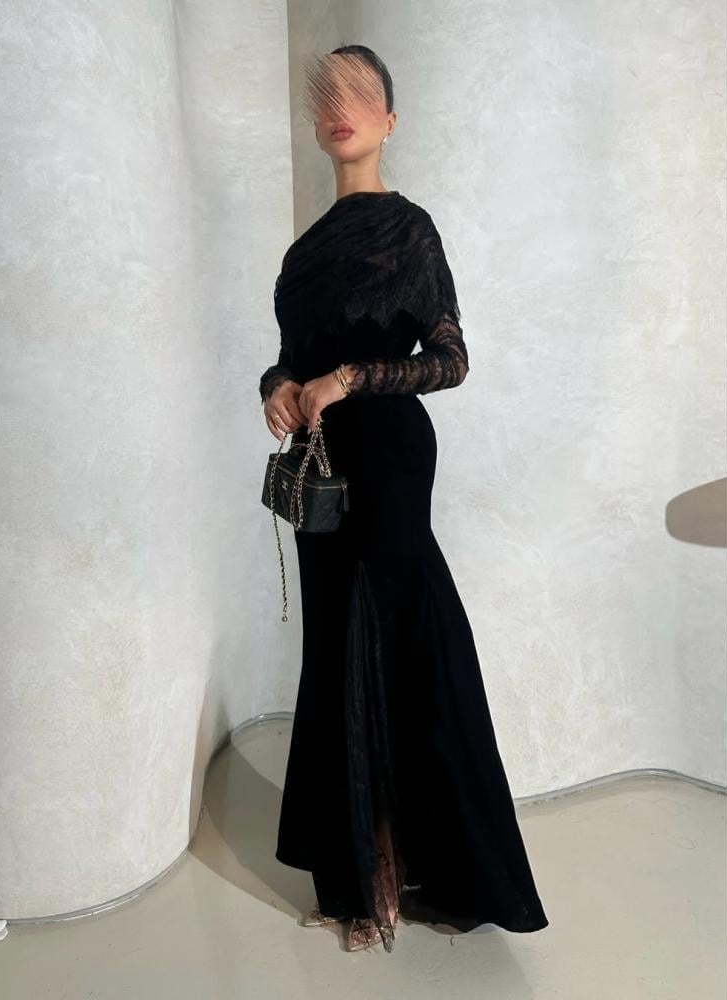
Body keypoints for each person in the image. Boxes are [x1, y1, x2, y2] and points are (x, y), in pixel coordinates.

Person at [259, 45, 549, 953]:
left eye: (360, 93)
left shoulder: (410, 231)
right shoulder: (303, 253)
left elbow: (451, 361)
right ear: (316, 123)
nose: (340, 107)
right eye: (327, 95)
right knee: (332, 647)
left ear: (390, 120)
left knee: (401, 640)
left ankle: (438, 865)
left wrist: (350, 376)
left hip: (388, 456)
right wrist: (278, 386)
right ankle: (353, 878)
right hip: (320, 467)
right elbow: (290, 357)